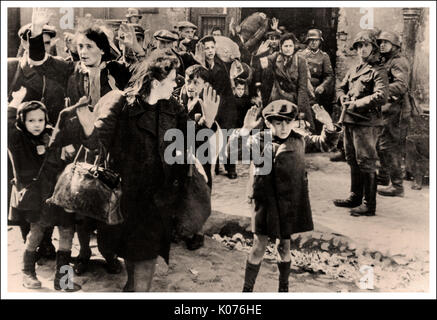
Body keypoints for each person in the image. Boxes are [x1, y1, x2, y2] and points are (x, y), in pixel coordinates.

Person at [75, 48, 218, 292]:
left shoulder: (172, 107)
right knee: (134, 262)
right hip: (126, 199)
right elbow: (98, 144)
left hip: (159, 200)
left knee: (144, 267)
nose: (176, 84)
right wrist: (88, 129)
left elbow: (191, 142)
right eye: (173, 78)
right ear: (155, 79)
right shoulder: (122, 104)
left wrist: (207, 122)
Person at [28, 8, 137, 276]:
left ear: (101, 48)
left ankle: (109, 253)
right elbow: (40, 62)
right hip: (81, 148)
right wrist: (36, 32)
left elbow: (140, 74)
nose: (83, 51)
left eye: (88, 46)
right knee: (81, 203)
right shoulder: (73, 72)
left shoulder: (117, 71)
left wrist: (132, 47)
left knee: (111, 200)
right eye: (80, 47)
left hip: (112, 148)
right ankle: (84, 253)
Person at [228, 100, 340, 292]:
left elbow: (325, 143)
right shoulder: (258, 140)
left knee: (284, 246)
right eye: (277, 122)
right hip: (264, 200)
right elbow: (232, 152)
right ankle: (247, 292)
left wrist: (328, 126)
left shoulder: (300, 139)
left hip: (289, 202)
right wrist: (245, 130)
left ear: (294, 122)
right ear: (269, 123)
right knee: (259, 246)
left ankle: (283, 289)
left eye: (288, 122)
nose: (283, 127)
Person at [8, 99, 82, 291]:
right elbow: (7, 124)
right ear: (22, 121)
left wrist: (62, 147)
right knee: (36, 234)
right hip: (36, 196)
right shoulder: (17, 140)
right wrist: (14, 103)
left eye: (40, 120)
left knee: (67, 232)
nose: (36, 124)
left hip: (59, 193)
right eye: (31, 120)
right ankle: (27, 273)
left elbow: (63, 133)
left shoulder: (51, 136)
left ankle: (62, 279)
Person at [333, 30, 388, 217]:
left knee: (366, 161)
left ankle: (368, 204)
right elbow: (340, 87)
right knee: (352, 159)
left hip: (366, 122)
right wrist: (342, 98)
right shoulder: (354, 69)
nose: (362, 50)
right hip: (349, 120)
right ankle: (355, 196)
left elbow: (381, 96)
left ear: (373, 48)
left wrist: (356, 104)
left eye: (366, 46)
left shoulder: (378, 70)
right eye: (359, 46)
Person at [254, 32, 315, 130]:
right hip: (277, 98)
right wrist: (260, 54)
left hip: (294, 98)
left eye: (290, 46)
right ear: (281, 47)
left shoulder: (300, 61)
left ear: (294, 47)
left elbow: (302, 87)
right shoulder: (274, 57)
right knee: (271, 127)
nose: (288, 48)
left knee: (301, 127)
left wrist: (301, 108)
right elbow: (260, 64)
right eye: (285, 46)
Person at [198, 35, 239, 179]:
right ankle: (213, 167)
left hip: (225, 107)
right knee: (211, 138)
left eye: (212, 47)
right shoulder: (201, 64)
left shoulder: (220, 66)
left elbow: (219, 90)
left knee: (227, 138)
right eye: (206, 48)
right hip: (212, 105)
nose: (210, 51)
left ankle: (231, 168)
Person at [375, 31, 410, 197]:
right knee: (381, 143)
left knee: (389, 146)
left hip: (397, 109)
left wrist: (381, 91)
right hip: (387, 108)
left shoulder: (398, 62)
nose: (382, 45)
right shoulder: (386, 60)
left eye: (386, 42)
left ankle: (397, 186)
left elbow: (401, 85)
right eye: (380, 42)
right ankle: (383, 177)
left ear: (395, 45)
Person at [300, 29, 334, 117]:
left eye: (316, 40)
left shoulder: (324, 56)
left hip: (316, 91)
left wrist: (322, 86)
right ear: (307, 41)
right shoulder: (300, 55)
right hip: (302, 89)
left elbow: (329, 75)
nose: (313, 42)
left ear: (320, 41)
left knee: (315, 115)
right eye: (311, 40)